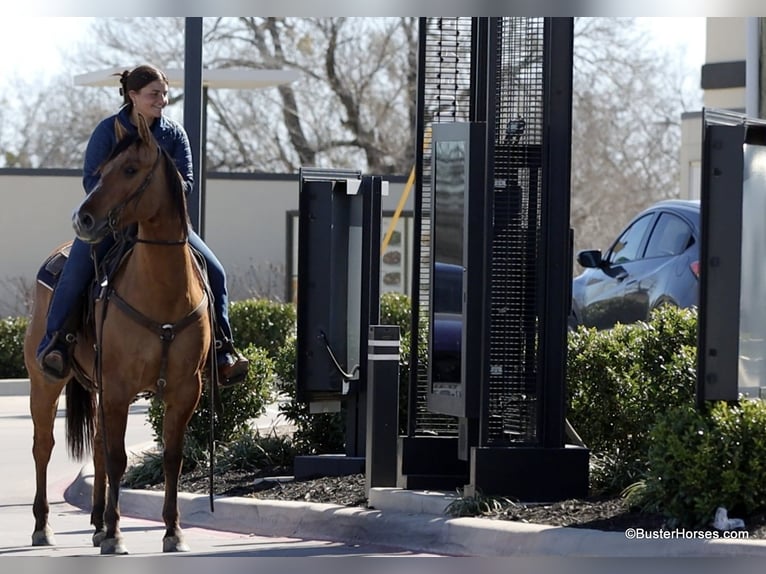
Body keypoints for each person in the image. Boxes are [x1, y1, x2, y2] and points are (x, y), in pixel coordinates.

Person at [36, 64, 249, 387]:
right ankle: (56, 344)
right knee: (75, 270)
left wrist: (159, 190)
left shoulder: (174, 134)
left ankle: (222, 352)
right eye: (154, 94)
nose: (161, 100)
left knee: (215, 271)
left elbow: (187, 183)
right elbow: (92, 180)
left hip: (165, 227)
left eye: (164, 93)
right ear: (132, 95)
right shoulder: (108, 131)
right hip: (113, 225)